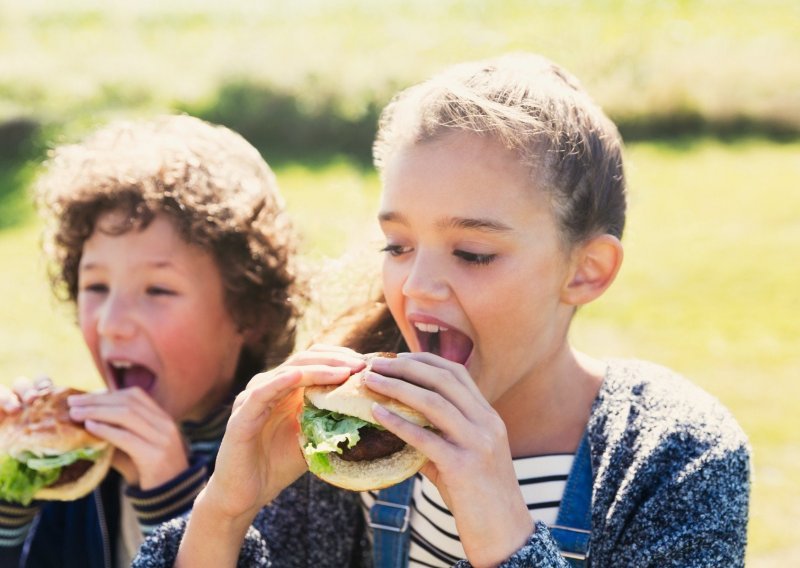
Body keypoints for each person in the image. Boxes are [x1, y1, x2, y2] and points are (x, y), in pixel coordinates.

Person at [133, 53, 751, 568]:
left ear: (586, 270)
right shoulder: (354, 448)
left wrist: (501, 526)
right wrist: (223, 511)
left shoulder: (677, 456)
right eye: (398, 246)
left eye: (473, 253)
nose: (419, 286)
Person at [0, 114, 302, 568]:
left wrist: (172, 494)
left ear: (249, 312)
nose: (111, 324)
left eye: (158, 291)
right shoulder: (79, 469)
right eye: (96, 287)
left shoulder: (285, 465)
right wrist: (16, 487)